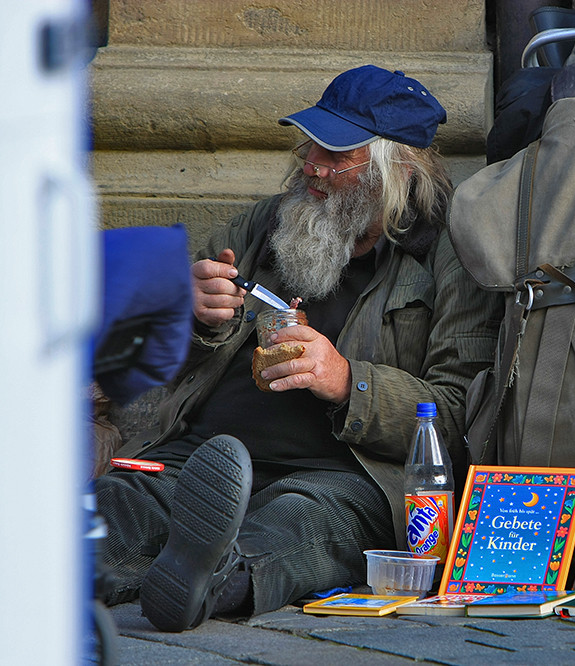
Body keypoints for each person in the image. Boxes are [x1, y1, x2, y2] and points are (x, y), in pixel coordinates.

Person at [94, 65, 502, 632]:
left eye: (337, 156)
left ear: (394, 169)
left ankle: (208, 579)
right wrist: (189, 313)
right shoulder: (265, 222)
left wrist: (344, 379)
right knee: (116, 507)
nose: (311, 165)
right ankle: (79, 567)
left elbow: (458, 415)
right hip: (199, 458)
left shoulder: (453, 254)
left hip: (336, 477)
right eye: (311, 144)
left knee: (295, 526)